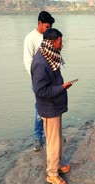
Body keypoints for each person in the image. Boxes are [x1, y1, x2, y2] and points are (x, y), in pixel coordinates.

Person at [31, 28, 72, 184]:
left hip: (54, 105)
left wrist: (61, 87)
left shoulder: (49, 56)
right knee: (53, 141)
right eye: (60, 43)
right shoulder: (40, 63)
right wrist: (61, 88)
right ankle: (52, 173)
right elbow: (40, 90)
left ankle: (57, 165)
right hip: (49, 107)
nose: (61, 46)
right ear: (51, 42)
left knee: (56, 139)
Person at [24, 11, 55, 151]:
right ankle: (38, 137)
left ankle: (52, 136)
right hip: (38, 81)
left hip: (52, 79)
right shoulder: (30, 38)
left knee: (53, 107)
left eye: (50, 27)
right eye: (47, 26)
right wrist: (37, 80)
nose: (49, 29)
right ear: (40, 23)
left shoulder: (49, 36)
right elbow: (28, 61)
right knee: (39, 109)